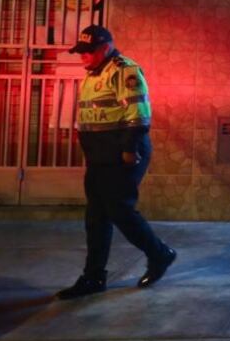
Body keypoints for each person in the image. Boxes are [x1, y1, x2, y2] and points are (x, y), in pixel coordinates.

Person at [56, 25, 176, 300]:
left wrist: (129, 149)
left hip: (122, 153)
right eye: (81, 52)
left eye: (88, 52)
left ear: (106, 47)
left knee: (120, 210)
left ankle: (160, 254)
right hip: (99, 156)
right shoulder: (93, 73)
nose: (83, 57)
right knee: (96, 217)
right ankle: (93, 276)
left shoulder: (124, 70)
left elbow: (137, 114)